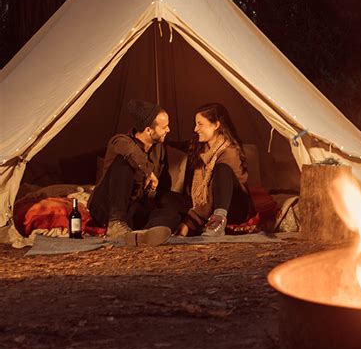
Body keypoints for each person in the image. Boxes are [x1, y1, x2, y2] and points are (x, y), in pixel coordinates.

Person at [88, 99, 174, 246]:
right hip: (106, 206)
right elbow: (131, 152)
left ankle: (142, 235)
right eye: (164, 127)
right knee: (124, 163)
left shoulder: (159, 148)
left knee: (171, 214)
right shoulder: (120, 141)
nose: (168, 130)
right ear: (148, 130)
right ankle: (116, 222)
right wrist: (149, 172)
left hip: (132, 207)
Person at [176, 102, 255, 237]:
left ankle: (218, 222)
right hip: (205, 206)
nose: (195, 129)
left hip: (233, 206)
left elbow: (212, 195)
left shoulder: (229, 152)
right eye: (196, 124)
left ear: (216, 125)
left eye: (200, 124)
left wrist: (189, 222)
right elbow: (175, 144)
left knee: (222, 170)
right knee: (168, 199)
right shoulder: (199, 147)